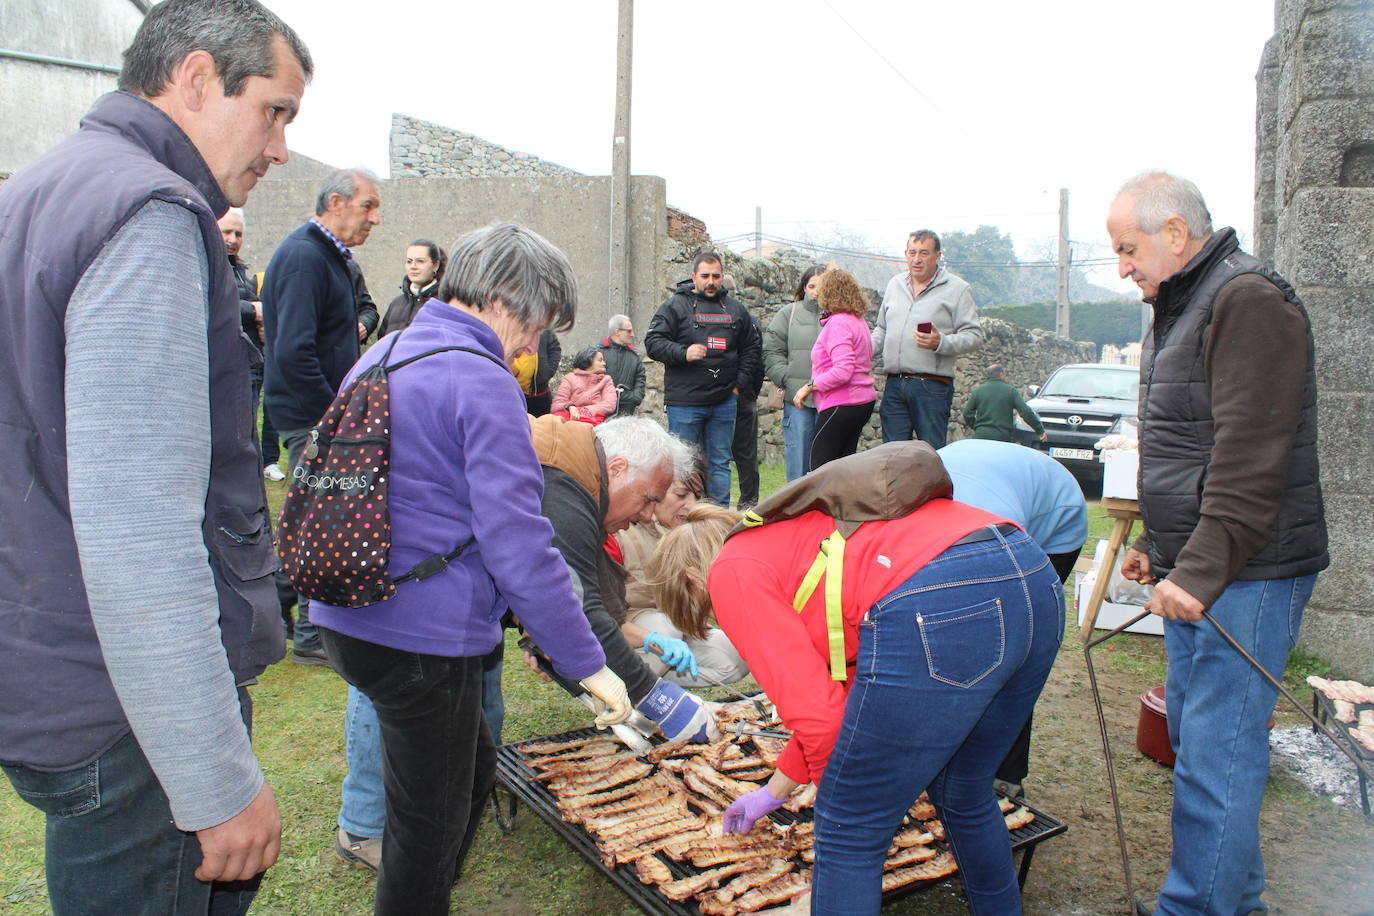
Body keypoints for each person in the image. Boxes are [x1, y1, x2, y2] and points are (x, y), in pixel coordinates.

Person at [0, 1, 311, 912]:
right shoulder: (147, 213)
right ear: (198, 79)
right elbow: (139, 532)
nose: (282, 147)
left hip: (54, 660)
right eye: (276, 111)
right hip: (126, 709)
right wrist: (213, 779)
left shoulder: (41, 185)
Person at [311, 223, 632, 916]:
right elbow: (519, 541)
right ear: (504, 299)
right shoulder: (482, 379)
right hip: (421, 634)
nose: (533, 344)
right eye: (540, 323)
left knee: (470, 770)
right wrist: (588, 662)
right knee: (431, 831)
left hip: (352, 611)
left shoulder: (386, 350)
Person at [664, 443, 1061, 914]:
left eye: (709, 612)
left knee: (850, 824)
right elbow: (846, 700)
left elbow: (821, 724)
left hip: (943, 593)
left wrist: (839, 810)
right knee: (963, 790)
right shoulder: (800, 541)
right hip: (1031, 573)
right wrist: (774, 792)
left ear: (692, 575)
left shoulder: (732, 567)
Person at [1107, 171, 1327, 916]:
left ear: (1175, 233)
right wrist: (1155, 544)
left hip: (1251, 572)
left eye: (1128, 247)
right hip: (1202, 565)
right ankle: (1237, 901)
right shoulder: (1180, 306)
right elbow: (1178, 448)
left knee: (1217, 754)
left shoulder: (1247, 300)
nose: (1123, 265)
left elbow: (1250, 454)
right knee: (1204, 751)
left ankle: (1196, 909)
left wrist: (1196, 572)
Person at [522, 415, 721, 745]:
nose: (646, 515)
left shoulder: (581, 475)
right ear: (616, 469)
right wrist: (657, 698)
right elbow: (579, 609)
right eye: (649, 499)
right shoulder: (564, 486)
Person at [261, 167, 381, 666]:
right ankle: (308, 636)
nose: (376, 218)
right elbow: (292, 351)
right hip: (311, 417)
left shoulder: (328, 258)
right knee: (316, 522)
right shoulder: (305, 256)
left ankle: (275, 615)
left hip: (321, 415)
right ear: (336, 201)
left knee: (311, 517)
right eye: (368, 206)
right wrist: (330, 419)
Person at [938, 437, 1087, 799]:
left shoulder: (994, 533)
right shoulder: (896, 514)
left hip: (1055, 513)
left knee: (1010, 649)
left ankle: (1005, 771)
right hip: (991, 475)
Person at [644, 251, 762, 507]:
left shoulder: (735, 310)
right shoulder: (674, 306)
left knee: (719, 463)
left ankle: (717, 519)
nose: (711, 281)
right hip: (685, 403)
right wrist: (683, 353)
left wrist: (739, 385)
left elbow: (751, 349)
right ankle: (682, 516)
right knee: (683, 463)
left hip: (724, 401)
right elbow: (653, 342)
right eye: (705, 276)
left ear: (722, 277)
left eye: (716, 276)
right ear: (693, 277)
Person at [616, 462, 750, 688]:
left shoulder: (684, 531)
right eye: (681, 495)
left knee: (734, 660)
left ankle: (655, 678)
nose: (691, 505)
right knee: (668, 629)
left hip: (673, 627)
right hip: (630, 628)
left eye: (697, 496)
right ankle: (630, 691)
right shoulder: (619, 528)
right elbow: (596, 611)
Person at [871, 230, 983, 449]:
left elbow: (974, 336)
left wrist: (940, 342)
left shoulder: (958, 289)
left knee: (931, 456)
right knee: (891, 456)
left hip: (932, 387)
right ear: (905, 253)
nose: (916, 259)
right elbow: (881, 328)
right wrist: (862, 350)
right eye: (912, 253)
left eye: (924, 253)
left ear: (938, 256)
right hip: (894, 383)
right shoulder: (895, 284)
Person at [219, 207, 286, 481]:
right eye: (227, 232)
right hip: (230, 364)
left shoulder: (237, 269)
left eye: (238, 234)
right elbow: (216, 304)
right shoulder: (209, 266)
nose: (233, 239)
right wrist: (254, 311)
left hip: (250, 361)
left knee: (248, 431)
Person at [792, 268, 876, 469]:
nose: (818, 294)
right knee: (842, 469)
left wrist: (810, 386)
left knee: (820, 469)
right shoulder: (858, 321)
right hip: (862, 402)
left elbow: (843, 370)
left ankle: (822, 502)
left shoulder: (838, 323)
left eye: (822, 289)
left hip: (842, 403)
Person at [764, 265, 824, 480]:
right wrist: (788, 380)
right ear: (804, 288)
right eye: (812, 286)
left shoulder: (840, 316)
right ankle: (796, 513)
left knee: (828, 467)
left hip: (830, 401)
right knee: (798, 465)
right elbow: (771, 351)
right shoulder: (788, 314)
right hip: (798, 402)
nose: (817, 291)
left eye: (822, 286)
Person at [723, 275, 765, 509]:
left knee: (731, 452)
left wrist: (746, 390)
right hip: (743, 392)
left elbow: (757, 361)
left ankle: (742, 501)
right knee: (745, 452)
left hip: (734, 392)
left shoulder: (745, 320)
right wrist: (749, 390)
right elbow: (758, 363)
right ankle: (748, 502)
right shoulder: (750, 319)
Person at [962, 364, 1047, 442]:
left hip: (981, 436)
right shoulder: (1011, 391)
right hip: (1002, 437)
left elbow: (967, 413)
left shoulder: (978, 391)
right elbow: (1025, 412)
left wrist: (978, 427)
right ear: (1002, 375)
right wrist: (1039, 430)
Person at [378, 238, 445, 337]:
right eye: (409, 261)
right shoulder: (396, 304)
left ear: (435, 265)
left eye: (420, 261)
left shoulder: (445, 303)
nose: (413, 266)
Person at [552, 346, 618, 423]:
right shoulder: (570, 378)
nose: (604, 363)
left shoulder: (606, 380)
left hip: (592, 420)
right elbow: (557, 404)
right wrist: (570, 407)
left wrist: (582, 411)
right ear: (588, 362)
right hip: (568, 416)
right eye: (600, 360)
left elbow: (609, 405)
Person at [601, 313, 645, 417]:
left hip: (627, 410)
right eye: (629, 331)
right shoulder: (600, 352)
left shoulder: (634, 356)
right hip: (603, 410)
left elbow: (640, 378)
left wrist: (636, 397)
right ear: (617, 332)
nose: (633, 334)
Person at [518, 329, 562, 416]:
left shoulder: (542, 329)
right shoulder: (510, 326)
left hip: (541, 393)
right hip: (515, 393)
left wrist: (548, 371)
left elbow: (555, 348)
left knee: (543, 426)